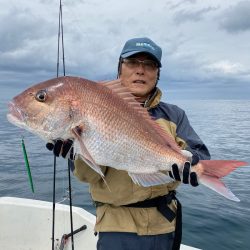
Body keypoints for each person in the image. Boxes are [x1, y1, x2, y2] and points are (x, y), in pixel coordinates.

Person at [47, 37, 211, 250]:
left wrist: (191, 165)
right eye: (132, 63)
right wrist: (76, 153)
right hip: (116, 228)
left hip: (164, 224)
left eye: (149, 65)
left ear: (157, 73)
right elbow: (90, 177)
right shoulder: (93, 109)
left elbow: (200, 156)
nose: (140, 71)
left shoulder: (174, 115)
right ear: (119, 68)